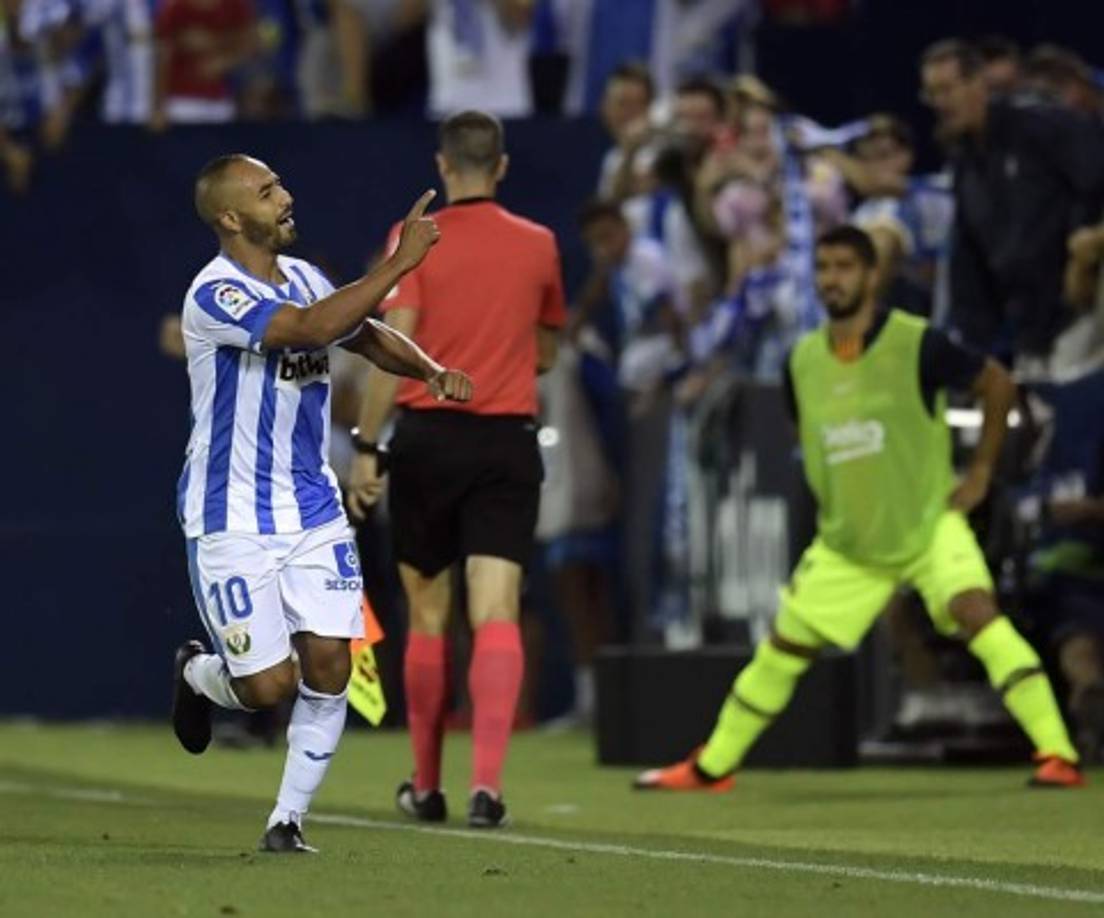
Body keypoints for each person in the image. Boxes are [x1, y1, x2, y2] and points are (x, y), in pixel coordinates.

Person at [635, 224, 1084, 792]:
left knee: (977, 612)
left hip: (928, 525)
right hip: (849, 543)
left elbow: (997, 384)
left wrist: (979, 474)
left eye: (845, 267)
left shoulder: (917, 343)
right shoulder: (801, 361)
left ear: (873, 276)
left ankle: (1058, 754)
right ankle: (711, 767)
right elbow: (806, 436)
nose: (832, 279)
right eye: (823, 268)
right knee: (783, 648)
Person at [171, 153, 472, 853]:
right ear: (230, 217)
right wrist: (399, 266)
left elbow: (361, 333)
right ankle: (196, 673)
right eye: (266, 191)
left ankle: (287, 821)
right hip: (230, 514)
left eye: (281, 183)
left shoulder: (306, 277)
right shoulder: (215, 293)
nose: (285, 196)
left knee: (332, 664)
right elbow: (307, 330)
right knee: (267, 686)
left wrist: (429, 370)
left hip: (312, 509)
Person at [347, 110, 566, 829]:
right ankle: (487, 790)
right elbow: (545, 352)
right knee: (496, 611)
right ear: (501, 166)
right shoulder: (540, 244)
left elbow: (396, 342)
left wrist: (368, 445)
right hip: (505, 442)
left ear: (443, 166)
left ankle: (427, 785)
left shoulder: (413, 238)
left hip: (429, 441)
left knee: (429, 616)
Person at [919, 38, 1104, 368]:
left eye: (946, 89)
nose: (939, 103)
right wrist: (972, 350)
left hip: (1084, 309)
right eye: (932, 94)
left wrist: (1086, 249)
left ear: (978, 81)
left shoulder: (1039, 125)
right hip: (1030, 329)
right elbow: (973, 266)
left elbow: (1096, 179)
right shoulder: (963, 166)